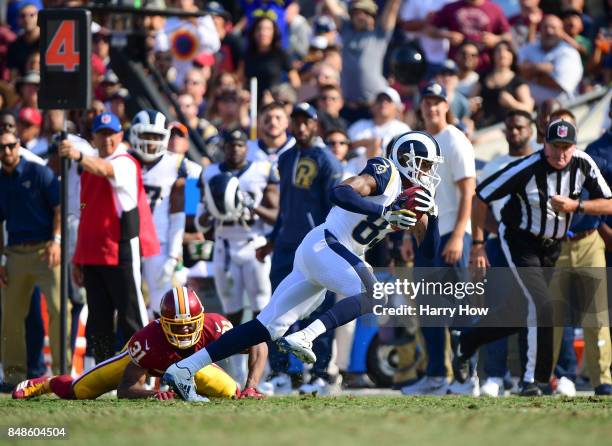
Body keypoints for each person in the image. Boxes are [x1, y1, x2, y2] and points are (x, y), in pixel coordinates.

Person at [162, 130, 443, 401]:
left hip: (326, 253)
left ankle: (184, 368)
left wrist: (433, 216)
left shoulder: (414, 198)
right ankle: (306, 336)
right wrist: (383, 210)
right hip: (328, 244)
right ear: (407, 159)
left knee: (266, 327)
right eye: (427, 165)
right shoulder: (386, 173)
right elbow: (340, 192)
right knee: (375, 294)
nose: (429, 172)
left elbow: (429, 252)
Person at [456, 119, 612, 396]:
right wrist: (478, 244)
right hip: (520, 240)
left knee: (520, 312)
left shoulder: (584, 164)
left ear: (574, 147)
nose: (561, 153)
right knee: (541, 304)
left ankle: (470, 339)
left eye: (567, 146)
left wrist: (577, 206)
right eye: (555, 146)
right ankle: (533, 381)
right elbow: (480, 196)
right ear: (544, 145)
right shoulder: (526, 167)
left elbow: (608, 202)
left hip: (552, 245)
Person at [12, 287, 268, 400]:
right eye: (178, 326)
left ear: (201, 319)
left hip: (193, 366)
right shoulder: (148, 340)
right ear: (163, 322)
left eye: (190, 324)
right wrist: (154, 394)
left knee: (233, 395)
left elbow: (259, 342)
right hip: (152, 362)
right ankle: (45, 383)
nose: (186, 330)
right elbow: (126, 389)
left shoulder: (215, 326)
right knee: (79, 392)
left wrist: (252, 386)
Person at [58, 112, 160, 364]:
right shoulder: (88, 168)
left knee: (131, 314)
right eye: (102, 135)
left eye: (111, 134)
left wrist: (79, 156)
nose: (107, 140)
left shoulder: (125, 161)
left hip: (122, 248)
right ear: (94, 137)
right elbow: (85, 215)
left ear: (120, 135)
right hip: (92, 252)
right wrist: (77, 258)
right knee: (98, 317)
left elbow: (106, 169)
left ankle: (144, 369)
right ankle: (100, 372)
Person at [401, 82, 476, 396]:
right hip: (426, 232)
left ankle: (467, 378)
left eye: (438, 102)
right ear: (421, 106)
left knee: (459, 307)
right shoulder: (419, 142)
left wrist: (459, 234)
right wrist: (409, 234)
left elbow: (468, 189)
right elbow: (415, 194)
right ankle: (435, 376)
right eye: (427, 102)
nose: (432, 108)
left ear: (447, 105)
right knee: (430, 308)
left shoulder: (454, 139)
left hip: (451, 231)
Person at [197, 128, 278, 385]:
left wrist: (248, 205)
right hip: (225, 247)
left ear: (247, 147)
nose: (235, 149)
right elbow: (199, 221)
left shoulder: (263, 170)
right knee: (229, 315)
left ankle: (264, 375)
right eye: (231, 144)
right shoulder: (210, 173)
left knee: (262, 311)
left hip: (255, 244)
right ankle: (232, 375)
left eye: (241, 144)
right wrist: (213, 209)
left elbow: (276, 215)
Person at [474, 109, 535, 397]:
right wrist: (495, 232)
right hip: (502, 244)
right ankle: (494, 376)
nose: (514, 132)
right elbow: (480, 204)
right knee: (497, 309)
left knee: (532, 311)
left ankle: (528, 377)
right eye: (510, 127)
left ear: (531, 129)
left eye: (519, 127)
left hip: (535, 243)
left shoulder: (540, 163)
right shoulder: (495, 165)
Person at [0, 129, 62, 386]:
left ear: (19, 145)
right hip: (14, 252)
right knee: (11, 316)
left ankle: (62, 372)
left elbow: (59, 208)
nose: (6, 152)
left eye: (11, 146)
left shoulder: (39, 172)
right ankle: (13, 375)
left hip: (46, 249)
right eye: (2, 148)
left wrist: (56, 241)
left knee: (59, 309)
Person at [128, 110, 188, 318]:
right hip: (128, 240)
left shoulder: (175, 164)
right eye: (146, 135)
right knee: (129, 303)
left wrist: (173, 252)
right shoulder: (123, 160)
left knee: (161, 306)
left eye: (155, 136)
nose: (150, 142)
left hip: (159, 243)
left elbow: (178, 212)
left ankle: (159, 349)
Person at [324, 0, 402, 122]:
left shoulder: (380, 33)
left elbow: (393, 7)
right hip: (348, 107)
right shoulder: (346, 30)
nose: (360, 16)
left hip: (373, 107)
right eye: (356, 13)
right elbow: (331, 5)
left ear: (373, 17)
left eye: (365, 13)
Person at [428, 0, 512, 73]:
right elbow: (429, 30)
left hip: (484, 66)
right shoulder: (451, 8)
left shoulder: (494, 9)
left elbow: (508, 36)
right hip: (456, 66)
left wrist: (495, 39)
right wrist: (447, 35)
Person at [518, 14, 583, 105]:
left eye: (554, 28)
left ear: (561, 31)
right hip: (533, 111)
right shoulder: (530, 48)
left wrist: (532, 75)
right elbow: (520, 69)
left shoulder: (569, 52)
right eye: (545, 27)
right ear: (540, 30)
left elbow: (560, 84)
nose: (549, 31)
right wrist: (543, 68)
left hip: (563, 109)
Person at [475, 41, 534, 128]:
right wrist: (473, 105)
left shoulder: (518, 81)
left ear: (512, 56)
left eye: (507, 50)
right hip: (483, 125)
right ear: (493, 55)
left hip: (506, 127)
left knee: (478, 141)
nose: (502, 53)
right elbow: (471, 99)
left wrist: (512, 103)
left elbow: (528, 109)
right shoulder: (483, 77)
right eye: (498, 50)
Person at [241, 16, 300, 99]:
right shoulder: (247, 55)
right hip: (252, 103)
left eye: (268, 29)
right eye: (259, 29)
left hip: (275, 102)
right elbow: (241, 81)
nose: (263, 33)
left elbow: (295, 81)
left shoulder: (281, 54)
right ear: (253, 32)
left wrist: (284, 97)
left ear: (274, 33)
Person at [348, 86, 410, 165]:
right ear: (372, 105)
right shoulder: (358, 125)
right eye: (380, 100)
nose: (383, 103)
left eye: (389, 100)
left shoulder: (403, 129)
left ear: (397, 108)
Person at [6, 2, 39, 77]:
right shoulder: (14, 46)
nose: (27, 19)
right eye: (23, 16)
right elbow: (13, 75)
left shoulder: (48, 42)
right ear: (18, 20)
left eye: (31, 15)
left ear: (39, 17)